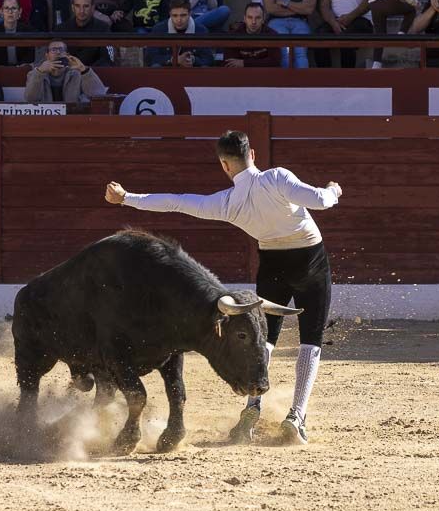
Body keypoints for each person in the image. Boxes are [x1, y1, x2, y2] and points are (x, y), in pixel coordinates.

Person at [106, 129, 343, 446]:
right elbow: (321, 202)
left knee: (267, 339)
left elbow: (177, 203)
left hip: (272, 264)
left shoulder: (228, 203)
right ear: (253, 155)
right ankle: (296, 417)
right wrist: (333, 189)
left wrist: (127, 198)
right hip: (311, 261)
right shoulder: (276, 178)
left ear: (225, 166)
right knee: (310, 341)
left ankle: (252, 406)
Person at [24, 39, 109, 100]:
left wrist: (84, 70)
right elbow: (30, 98)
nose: (58, 52)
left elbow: (99, 95)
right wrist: (40, 72)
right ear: (47, 55)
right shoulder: (34, 73)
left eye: (61, 49)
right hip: (45, 117)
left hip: (72, 117)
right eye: (54, 50)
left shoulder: (77, 73)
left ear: (67, 54)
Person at [145, 0, 215, 66]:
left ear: (190, 14)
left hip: (192, 73)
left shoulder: (201, 30)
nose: (179, 20)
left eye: (183, 15)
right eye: (175, 15)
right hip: (166, 73)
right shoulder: (159, 29)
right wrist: (174, 60)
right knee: (155, 66)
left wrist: (193, 60)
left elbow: (209, 59)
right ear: (170, 14)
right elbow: (150, 58)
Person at [55, 0, 114, 65]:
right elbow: (55, 57)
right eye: (77, 6)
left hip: (94, 73)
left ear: (92, 8)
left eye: (86, 6)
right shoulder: (61, 29)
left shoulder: (103, 28)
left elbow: (107, 58)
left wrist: (86, 70)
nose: (81, 11)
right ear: (73, 8)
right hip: (68, 72)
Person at [225, 1, 281, 67]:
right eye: (250, 17)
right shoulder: (233, 36)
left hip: (264, 75)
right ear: (244, 19)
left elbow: (275, 62)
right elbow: (230, 64)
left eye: (258, 18)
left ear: (263, 19)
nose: (253, 22)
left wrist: (244, 63)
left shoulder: (272, 35)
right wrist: (262, 62)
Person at [0, 0, 39, 66]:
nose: (10, 12)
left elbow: (30, 56)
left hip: (22, 71)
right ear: (1, 11)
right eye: (6, 8)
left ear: (19, 11)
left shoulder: (28, 31)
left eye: (13, 8)